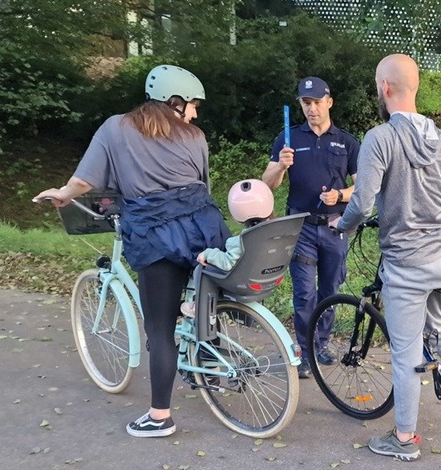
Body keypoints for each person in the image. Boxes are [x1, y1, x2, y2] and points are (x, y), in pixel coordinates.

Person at [34, 65, 230, 438]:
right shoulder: (196, 137)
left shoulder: (116, 128)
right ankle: (212, 362)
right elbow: (202, 183)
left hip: (156, 236)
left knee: (159, 329)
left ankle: (160, 417)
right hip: (205, 226)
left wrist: (62, 195)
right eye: (193, 105)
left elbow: (85, 180)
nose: (195, 113)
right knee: (203, 298)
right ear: (175, 101)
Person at [336, 54, 441, 462]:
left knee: (407, 354)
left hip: (405, 262)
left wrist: (342, 226)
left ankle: (406, 438)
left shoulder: (380, 138)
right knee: (440, 326)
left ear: (384, 88)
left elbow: (361, 202)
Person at [262, 76, 360, 379]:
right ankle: (304, 350)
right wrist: (280, 165)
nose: (312, 108)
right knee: (304, 293)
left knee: (330, 290)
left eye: (317, 102)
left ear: (329, 102)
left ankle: (321, 344)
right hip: (300, 227)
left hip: (335, 226)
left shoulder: (346, 142)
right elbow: (267, 184)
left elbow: (362, 188)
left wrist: (340, 195)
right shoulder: (288, 139)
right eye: (306, 103)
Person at [181, 179, 274, 318]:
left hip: (241, 279)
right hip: (267, 276)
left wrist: (208, 254)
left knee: (203, 270)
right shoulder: (275, 231)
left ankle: (198, 307)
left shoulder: (246, 240)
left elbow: (227, 262)